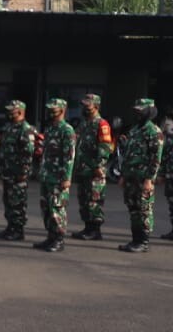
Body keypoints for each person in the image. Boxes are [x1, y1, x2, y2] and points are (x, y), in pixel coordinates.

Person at [118, 97, 165, 253]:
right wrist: (123, 175)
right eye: (136, 111)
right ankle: (135, 239)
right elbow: (128, 154)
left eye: (140, 111)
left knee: (143, 209)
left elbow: (156, 158)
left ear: (149, 112)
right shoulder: (135, 130)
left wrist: (149, 179)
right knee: (133, 208)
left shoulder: (154, 132)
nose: (137, 114)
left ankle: (143, 241)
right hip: (131, 177)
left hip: (143, 177)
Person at [71, 93, 114, 240]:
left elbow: (105, 147)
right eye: (83, 105)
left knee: (94, 201)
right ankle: (87, 228)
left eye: (88, 106)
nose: (84, 108)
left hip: (94, 170)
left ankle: (95, 230)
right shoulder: (84, 123)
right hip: (83, 170)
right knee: (84, 200)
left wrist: (98, 165)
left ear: (96, 106)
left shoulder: (102, 124)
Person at [34, 98, 75, 252]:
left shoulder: (67, 130)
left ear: (62, 110)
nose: (51, 112)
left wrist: (67, 177)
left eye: (54, 109)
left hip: (58, 177)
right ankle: (50, 236)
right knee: (46, 208)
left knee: (57, 208)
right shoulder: (51, 129)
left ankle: (59, 239)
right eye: (49, 109)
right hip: (47, 175)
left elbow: (69, 156)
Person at [0, 100, 36, 241]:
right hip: (8, 171)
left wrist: (23, 172)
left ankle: (18, 230)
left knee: (18, 202)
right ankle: (10, 227)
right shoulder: (11, 127)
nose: (9, 113)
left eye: (12, 111)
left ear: (20, 112)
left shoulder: (25, 129)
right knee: (8, 200)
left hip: (18, 173)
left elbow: (28, 153)